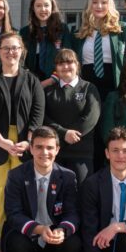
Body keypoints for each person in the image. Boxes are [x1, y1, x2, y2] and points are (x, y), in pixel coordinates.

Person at [0, 32, 45, 252]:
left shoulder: (32, 80)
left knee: (22, 196)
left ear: (22, 50)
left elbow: (37, 114)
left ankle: (18, 243)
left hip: (25, 146)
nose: (10, 52)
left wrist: (28, 141)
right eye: (6, 48)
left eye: (15, 48)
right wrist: (3, 142)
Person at [3, 126, 81, 252]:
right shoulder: (16, 175)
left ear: (58, 150)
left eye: (50, 147)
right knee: (15, 241)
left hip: (53, 235)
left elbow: (73, 213)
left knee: (73, 242)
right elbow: (13, 213)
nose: (44, 152)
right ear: (31, 149)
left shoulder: (68, 177)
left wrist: (62, 230)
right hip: (29, 233)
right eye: (39, 147)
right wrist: (38, 229)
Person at [73, 0, 126, 170]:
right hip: (88, 89)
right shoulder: (80, 32)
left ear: (110, 5)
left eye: (104, 2)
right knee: (90, 131)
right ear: (89, 5)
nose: (99, 5)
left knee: (110, 132)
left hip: (113, 87)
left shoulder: (121, 29)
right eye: (95, 2)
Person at [43, 49, 100, 186]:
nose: (65, 66)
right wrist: (64, 133)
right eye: (61, 63)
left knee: (82, 193)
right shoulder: (48, 92)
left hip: (81, 152)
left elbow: (92, 116)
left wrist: (73, 134)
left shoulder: (88, 88)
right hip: (55, 152)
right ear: (56, 68)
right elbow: (43, 118)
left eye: (69, 62)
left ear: (78, 65)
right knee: (56, 195)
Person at [19, 0, 73, 86]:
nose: (43, 9)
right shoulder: (25, 32)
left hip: (56, 82)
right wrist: (31, 82)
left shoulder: (62, 29)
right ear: (33, 8)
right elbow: (21, 61)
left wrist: (52, 79)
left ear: (52, 7)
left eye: (46, 5)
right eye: (38, 6)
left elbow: (67, 58)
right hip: (31, 83)